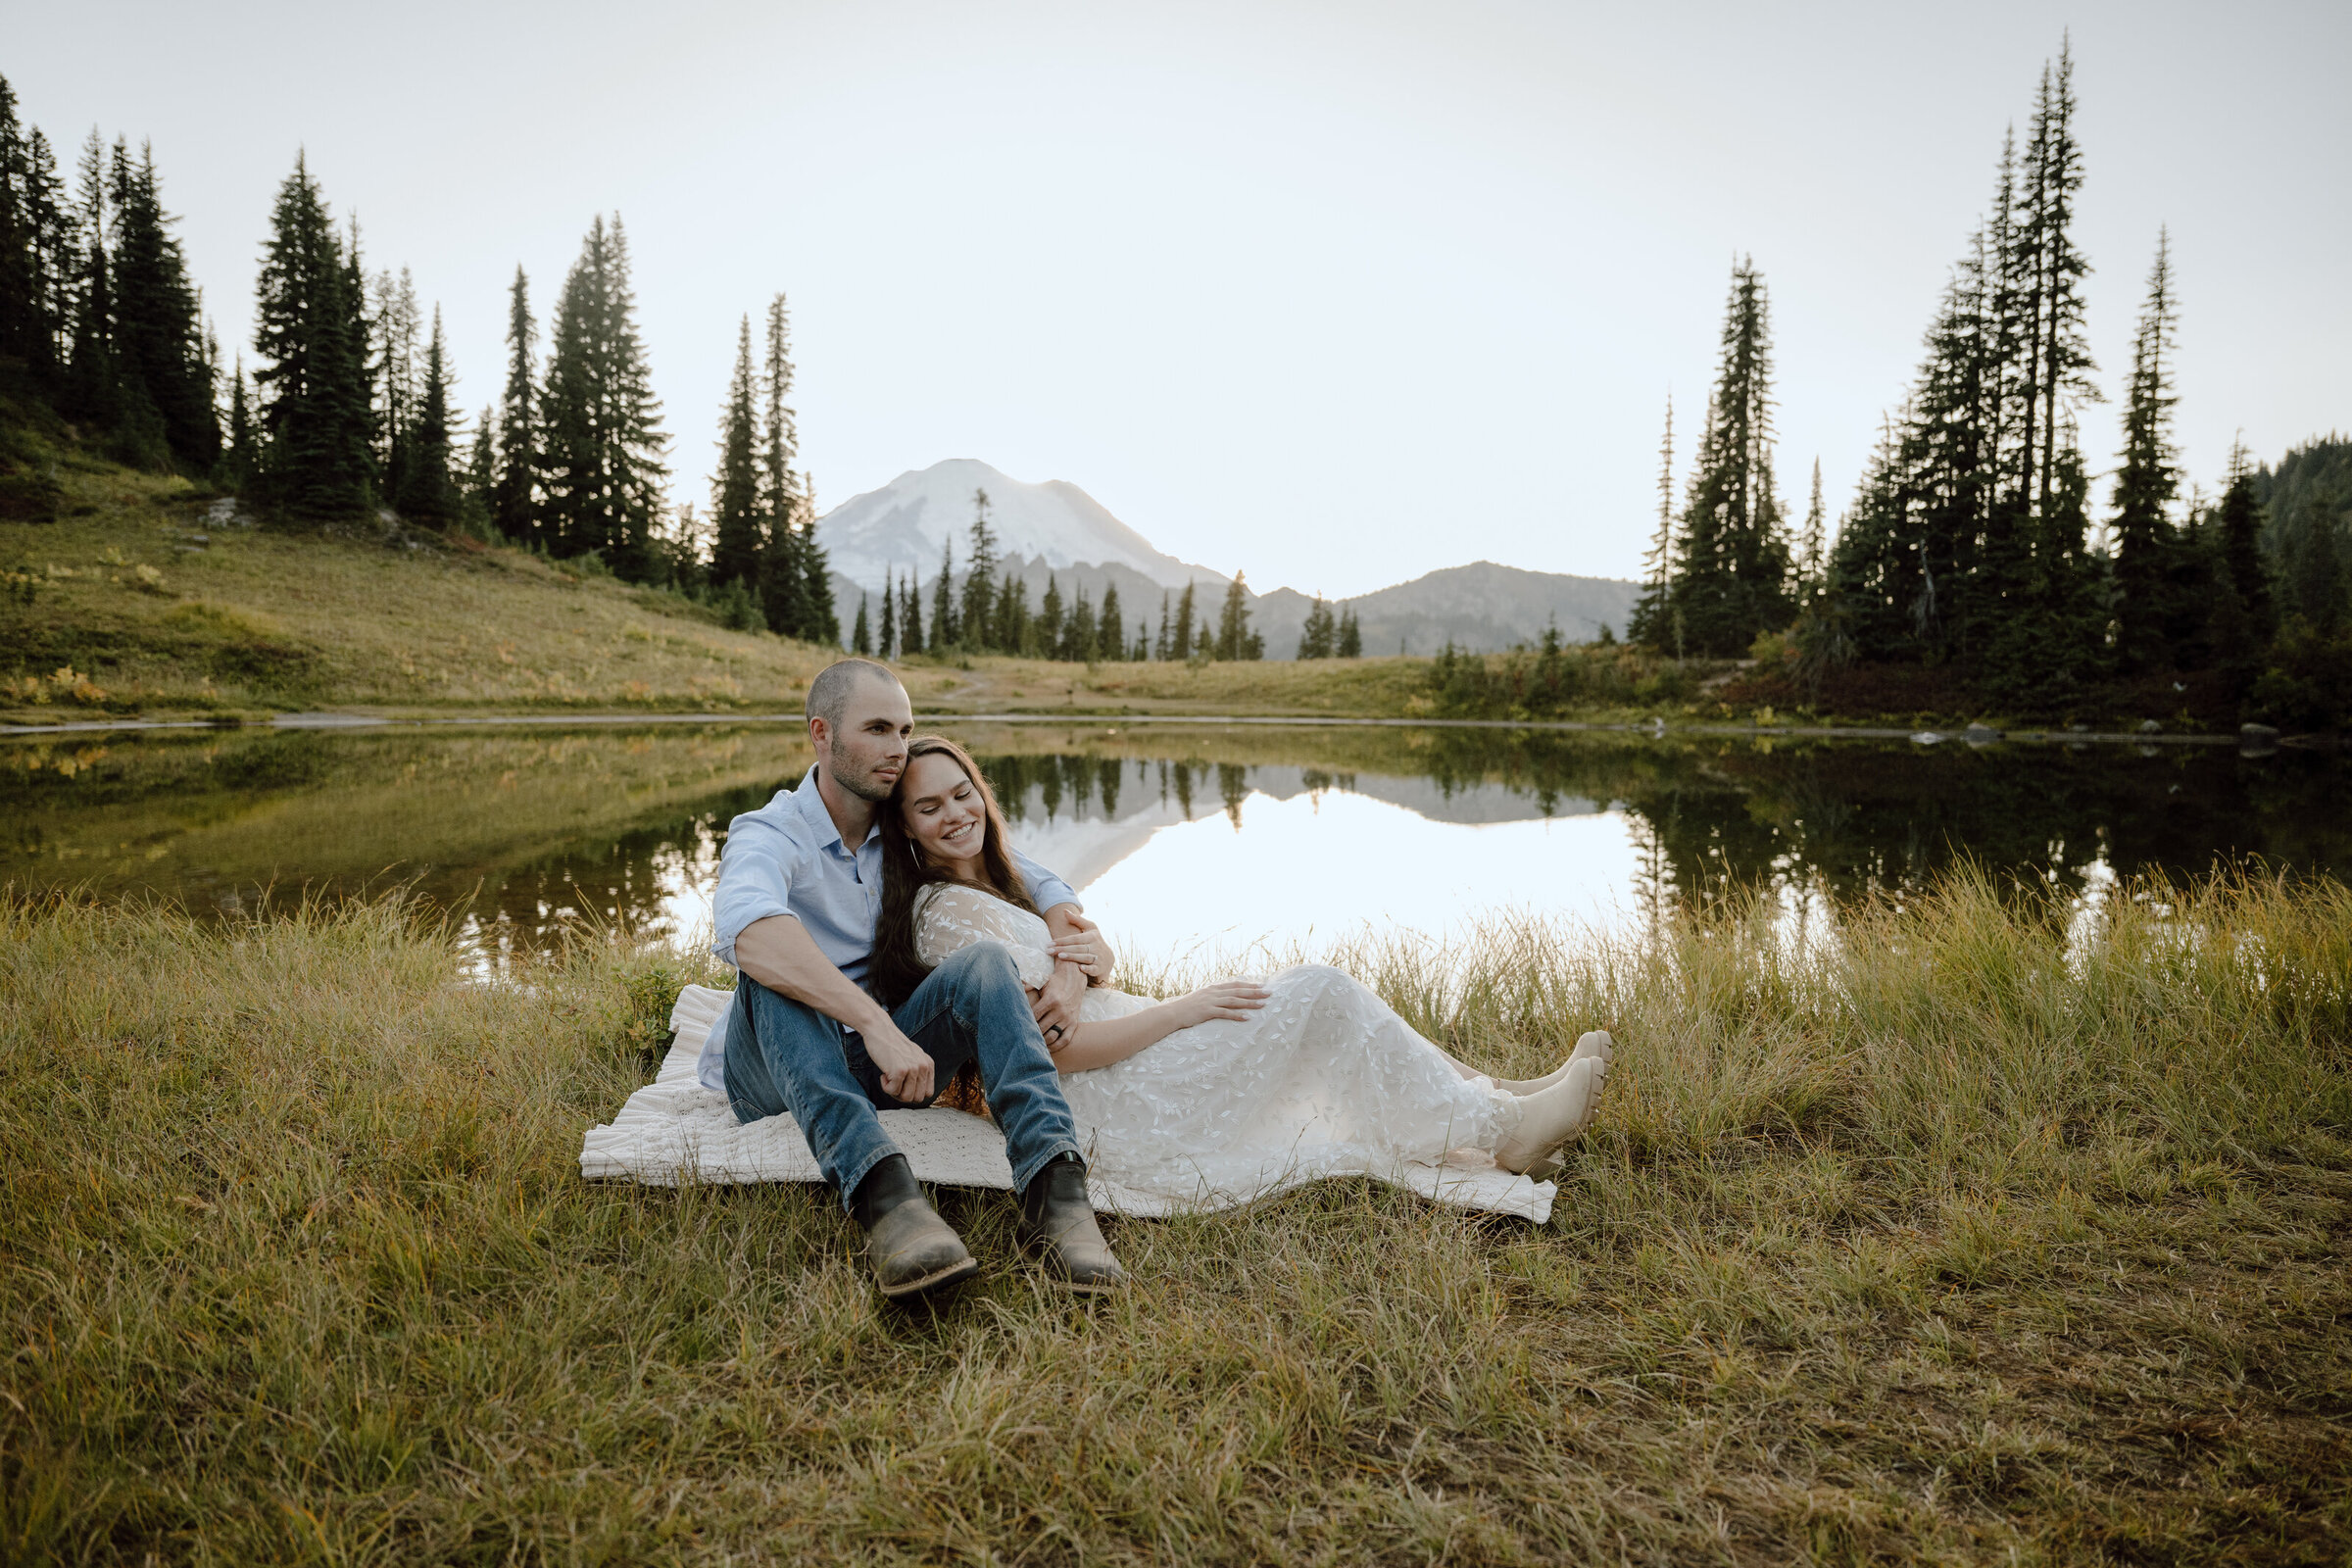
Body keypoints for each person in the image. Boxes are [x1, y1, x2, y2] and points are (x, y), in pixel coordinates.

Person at [866, 736, 1614, 1210]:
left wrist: (1094, 966)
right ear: (905, 827)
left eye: (962, 792)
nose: (954, 813)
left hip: (1134, 1048)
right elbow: (1051, 1051)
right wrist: (1183, 1011)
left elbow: (1078, 968)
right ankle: (1504, 1131)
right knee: (1318, 992)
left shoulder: (1001, 884)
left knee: (1323, 995)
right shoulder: (946, 914)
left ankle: (1496, 1096)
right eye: (928, 807)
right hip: (1106, 1095)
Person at [708, 660, 1126, 1300]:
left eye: (904, 729)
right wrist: (874, 1023)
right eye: (877, 729)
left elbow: (1035, 877)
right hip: (774, 1075)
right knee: (774, 968)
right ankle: (887, 1198)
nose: (897, 749)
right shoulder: (770, 833)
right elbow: (750, 930)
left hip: (886, 1065)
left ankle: (1055, 1192)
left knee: (986, 962)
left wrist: (1071, 966)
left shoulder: (901, 827)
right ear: (821, 735)